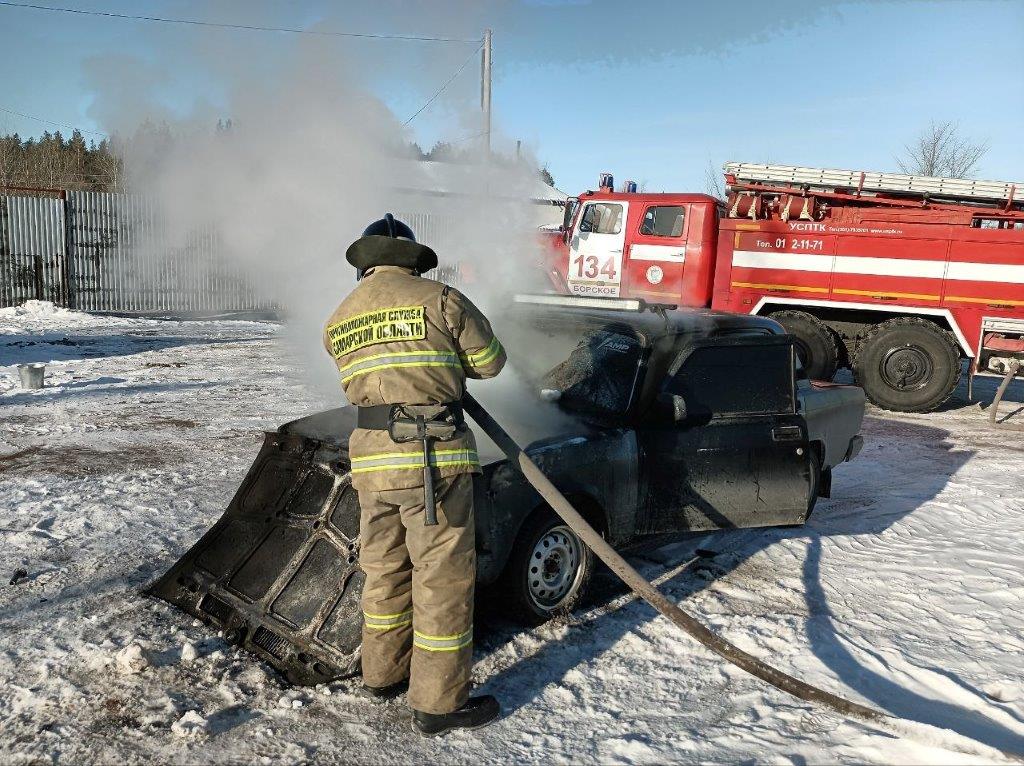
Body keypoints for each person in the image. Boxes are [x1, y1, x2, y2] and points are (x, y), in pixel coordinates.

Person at [323, 214, 506, 736]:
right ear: (412, 257)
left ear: (369, 260)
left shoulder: (341, 316)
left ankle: (381, 674)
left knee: (384, 570)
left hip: (371, 461)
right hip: (432, 462)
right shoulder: (441, 299)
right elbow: (490, 362)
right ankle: (439, 704)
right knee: (441, 579)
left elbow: (357, 377)